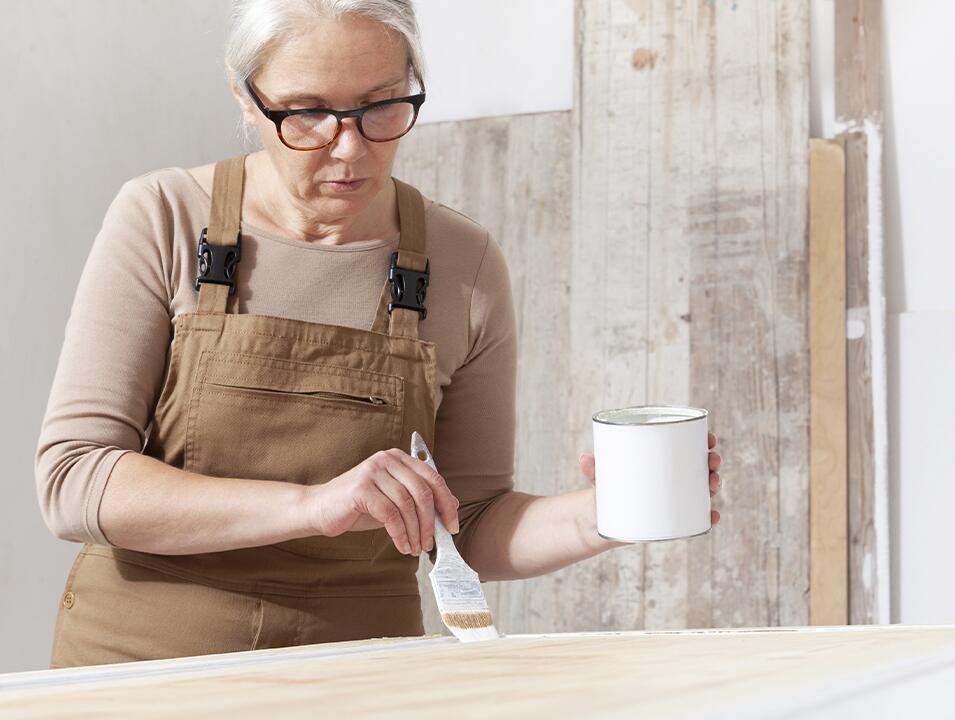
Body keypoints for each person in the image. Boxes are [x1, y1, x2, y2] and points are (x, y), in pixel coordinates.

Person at [34, 0, 722, 668]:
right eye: (307, 113)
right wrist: (316, 507)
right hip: (144, 665)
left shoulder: (464, 265)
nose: (350, 147)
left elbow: (470, 525)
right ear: (246, 98)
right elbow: (75, 479)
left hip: (362, 669)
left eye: (382, 106)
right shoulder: (163, 217)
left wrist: (607, 513)